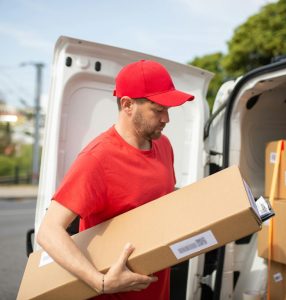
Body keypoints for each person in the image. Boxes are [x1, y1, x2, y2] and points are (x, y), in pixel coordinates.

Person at [37, 59, 194, 300]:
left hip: (158, 291)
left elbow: (163, 199)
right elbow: (48, 231)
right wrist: (100, 282)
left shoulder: (164, 146)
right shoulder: (97, 159)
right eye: (158, 109)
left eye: (168, 110)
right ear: (128, 105)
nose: (166, 119)